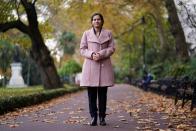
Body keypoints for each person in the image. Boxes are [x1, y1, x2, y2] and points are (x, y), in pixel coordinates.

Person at [80, 13, 115, 126]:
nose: (96, 21)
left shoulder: (108, 33)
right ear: (92, 22)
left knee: (102, 95)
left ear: (102, 21)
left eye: (98, 19)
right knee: (91, 96)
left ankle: (102, 118)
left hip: (104, 66)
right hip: (90, 66)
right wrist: (92, 54)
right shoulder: (86, 33)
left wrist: (101, 54)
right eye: (94, 20)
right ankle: (93, 117)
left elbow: (112, 48)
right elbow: (82, 49)